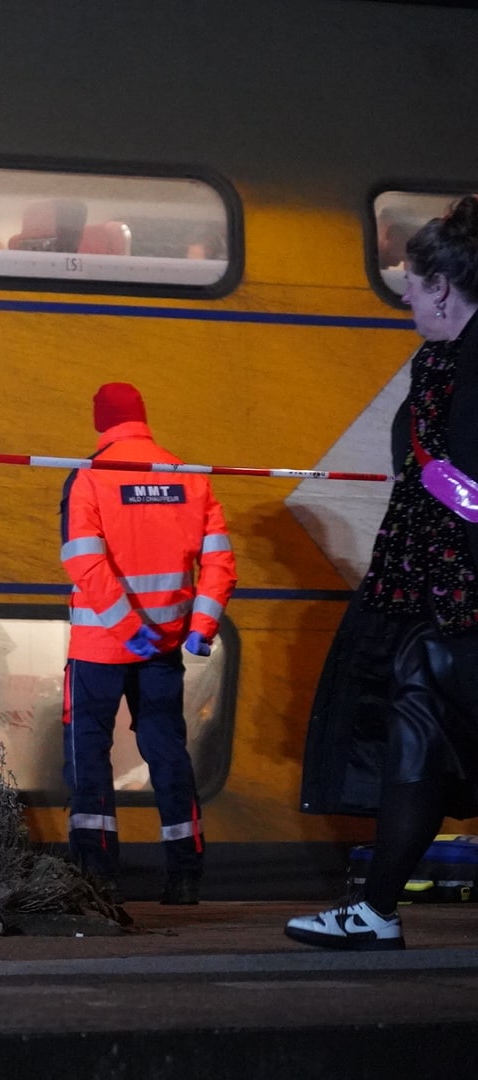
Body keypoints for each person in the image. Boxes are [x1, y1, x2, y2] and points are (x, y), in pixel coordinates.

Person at [291, 196, 478, 950]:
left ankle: (376, 910)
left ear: (442, 285)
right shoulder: (439, 361)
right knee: (416, 740)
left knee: (421, 735)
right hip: (430, 596)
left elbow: (464, 487)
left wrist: (450, 489)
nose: (402, 293)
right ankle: (376, 909)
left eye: (410, 279)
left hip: (458, 598)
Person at [58, 383, 238, 905]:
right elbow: (221, 563)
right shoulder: (187, 477)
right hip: (164, 648)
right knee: (167, 755)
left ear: (101, 421)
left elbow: (83, 560)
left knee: (88, 756)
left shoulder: (90, 475)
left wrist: (123, 626)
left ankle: (97, 875)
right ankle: (184, 874)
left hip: (99, 648)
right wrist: (200, 631)